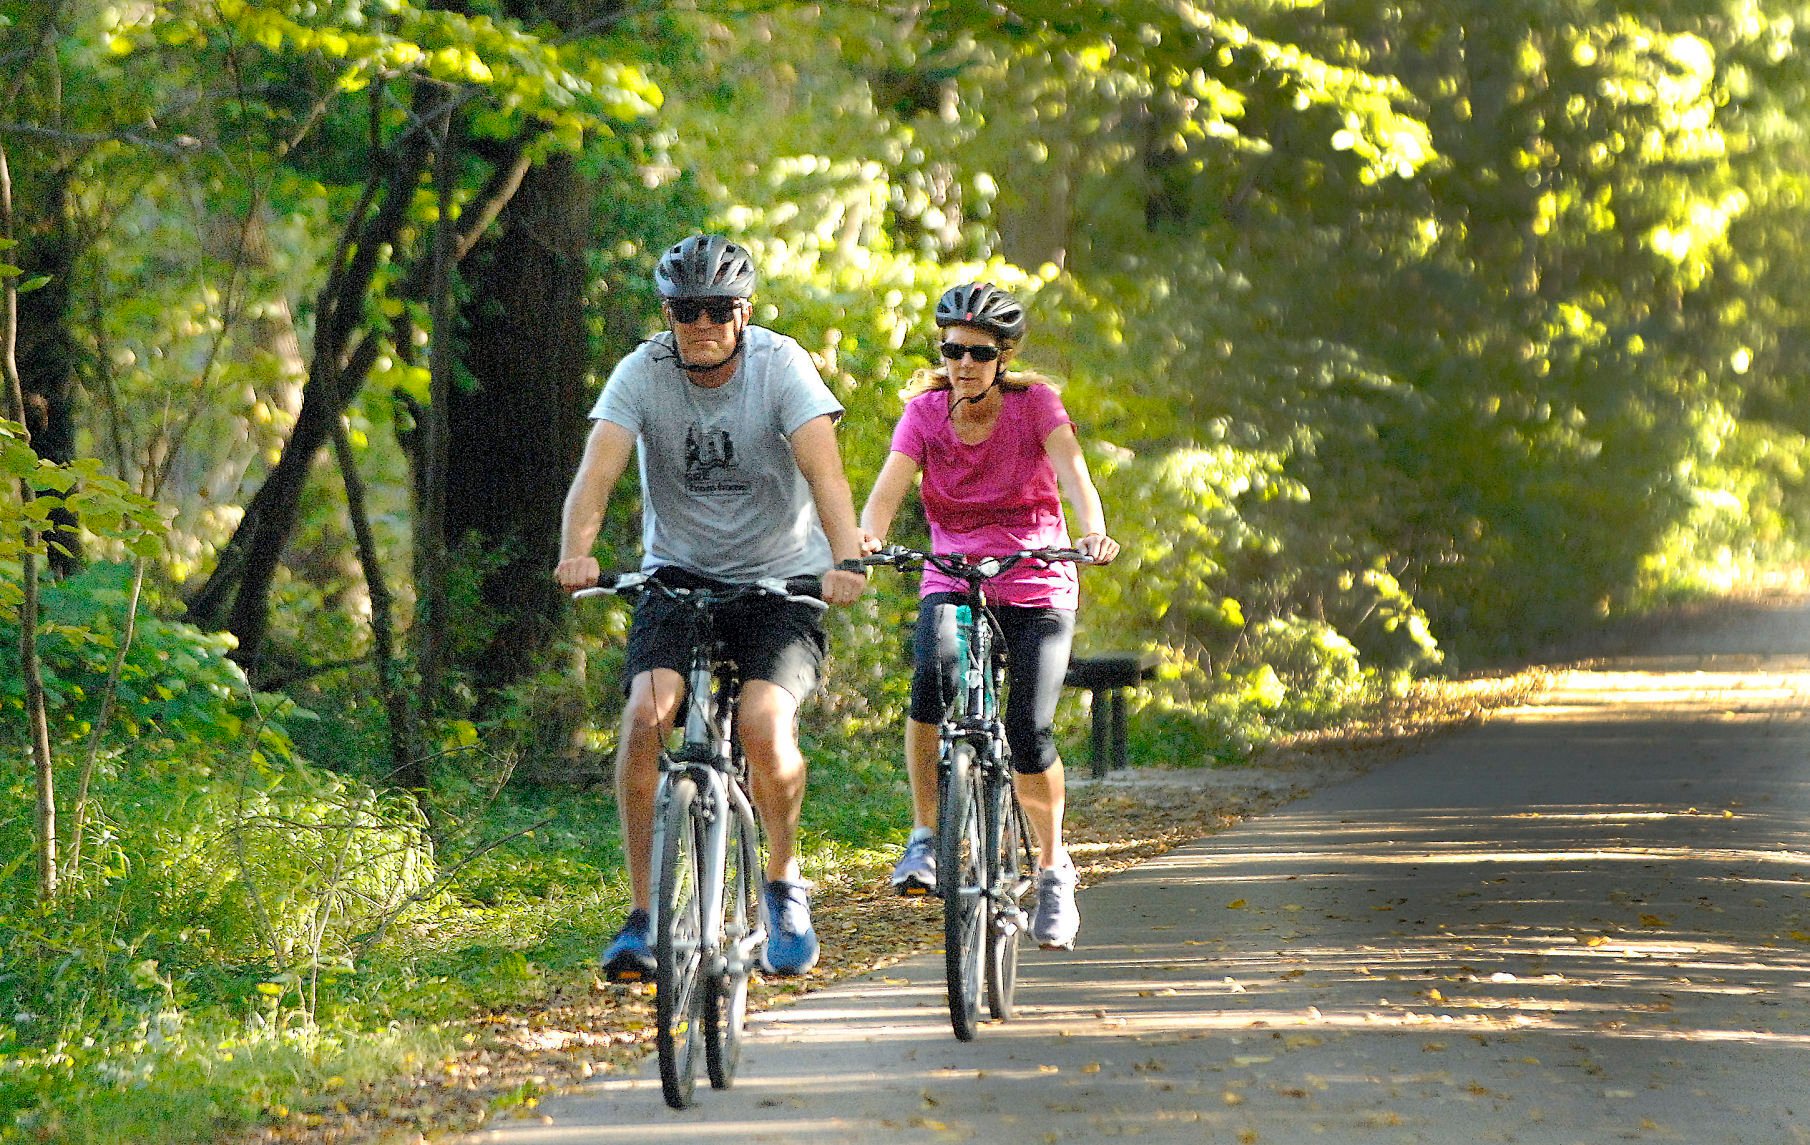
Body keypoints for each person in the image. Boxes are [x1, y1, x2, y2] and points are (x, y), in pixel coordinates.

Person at [556, 234, 869, 981]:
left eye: (717, 308)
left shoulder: (780, 364)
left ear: (743, 311)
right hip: (677, 577)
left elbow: (825, 472)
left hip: (779, 583)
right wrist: (578, 548)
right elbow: (596, 472)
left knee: (764, 722)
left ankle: (785, 884)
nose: (700, 323)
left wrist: (846, 557)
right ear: (667, 314)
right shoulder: (644, 370)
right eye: (684, 309)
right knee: (643, 718)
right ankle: (643, 917)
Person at [858, 281, 1119, 951]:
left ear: (1003, 356)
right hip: (955, 572)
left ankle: (1053, 868)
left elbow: (1074, 475)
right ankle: (925, 836)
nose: (963, 363)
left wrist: (1093, 531)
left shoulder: (1036, 406)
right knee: (931, 679)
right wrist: (862, 538)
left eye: (977, 352)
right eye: (952, 350)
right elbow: (887, 490)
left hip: (1036, 575)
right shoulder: (924, 412)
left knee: (1028, 729)